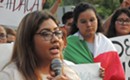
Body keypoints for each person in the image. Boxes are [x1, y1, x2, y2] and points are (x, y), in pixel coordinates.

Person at [0, 10, 80, 80]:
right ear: (28, 41)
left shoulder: (69, 73)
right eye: (46, 34)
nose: (55, 39)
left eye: (57, 33)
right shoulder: (10, 76)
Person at [63, 2, 125, 80]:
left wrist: (104, 74)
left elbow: (116, 74)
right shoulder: (68, 44)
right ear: (76, 24)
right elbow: (63, 70)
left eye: (92, 20)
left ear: (97, 20)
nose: (89, 24)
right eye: (83, 21)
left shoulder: (106, 44)